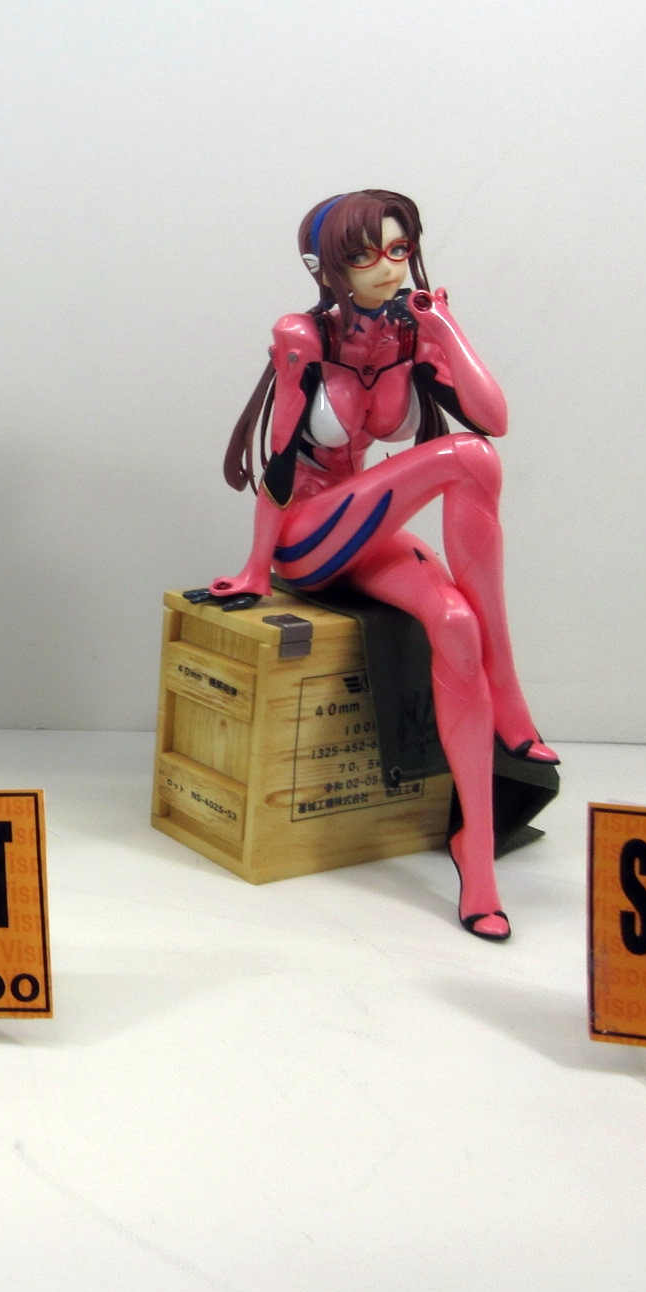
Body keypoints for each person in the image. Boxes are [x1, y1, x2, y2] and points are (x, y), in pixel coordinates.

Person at [208, 190, 554, 940]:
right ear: (324, 266)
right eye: (364, 255)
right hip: (308, 535)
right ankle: (509, 692)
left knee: (455, 622)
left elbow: (495, 415)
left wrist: (445, 328)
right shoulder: (302, 335)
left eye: (399, 250)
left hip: (365, 531)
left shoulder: (408, 336)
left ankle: (477, 858)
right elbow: (280, 463)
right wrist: (258, 568)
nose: (387, 268)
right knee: (468, 458)